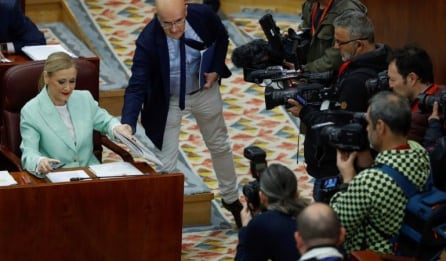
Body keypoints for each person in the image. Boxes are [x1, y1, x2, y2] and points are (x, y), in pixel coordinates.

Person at [120, 0, 242, 227]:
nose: (175, 29)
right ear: (157, 16)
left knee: (220, 146)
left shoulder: (202, 15)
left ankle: (232, 200)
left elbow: (221, 37)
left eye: (179, 21)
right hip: (170, 102)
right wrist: (128, 123)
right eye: (167, 24)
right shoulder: (148, 41)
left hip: (204, 91)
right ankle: (165, 221)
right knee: (166, 166)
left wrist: (215, 69)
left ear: (186, 10)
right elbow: (136, 85)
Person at [288, 11, 391, 201]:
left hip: (340, 168)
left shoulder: (357, 81)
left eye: (340, 42)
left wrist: (305, 113)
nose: (335, 47)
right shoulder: (382, 58)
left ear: (359, 44)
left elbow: (338, 127)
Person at [329, 91, 430, 254]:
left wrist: (348, 179)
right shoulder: (420, 152)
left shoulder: (369, 181)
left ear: (381, 126)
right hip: (411, 249)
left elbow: (335, 228)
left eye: (369, 123)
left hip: (379, 255)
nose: (367, 129)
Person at [20, 52, 131, 176]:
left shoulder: (84, 99)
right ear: (46, 77)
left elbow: (106, 121)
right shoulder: (31, 111)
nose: (67, 88)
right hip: (57, 178)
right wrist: (40, 162)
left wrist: (117, 128)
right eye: (61, 82)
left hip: (91, 173)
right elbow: (29, 153)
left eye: (72, 81)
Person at [235, 163, 308, 261]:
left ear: (262, 196)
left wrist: (245, 229)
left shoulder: (261, 223)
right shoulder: (315, 213)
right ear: (296, 191)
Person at [387, 45, 446, 144]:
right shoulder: (442, 92)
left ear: (412, 78)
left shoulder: (415, 119)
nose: (390, 85)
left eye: (393, 79)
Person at [299, 0, 367, 73]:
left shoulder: (348, 11)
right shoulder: (309, 5)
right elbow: (305, 33)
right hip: (312, 70)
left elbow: (337, 56)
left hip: (334, 77)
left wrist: (305, 69)